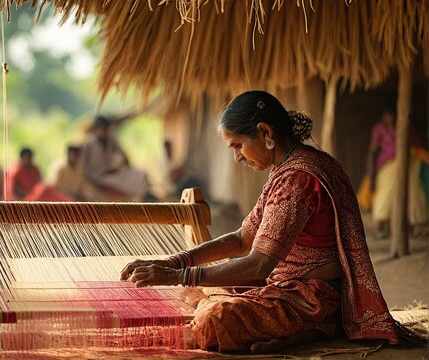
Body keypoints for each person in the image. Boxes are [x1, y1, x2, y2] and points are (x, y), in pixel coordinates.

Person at [120, 91, 402, 353]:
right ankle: (300, 331)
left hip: (312, 299)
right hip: (287, 285)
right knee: (197, 291)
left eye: (238, 145)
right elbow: (242, 238)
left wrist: (176, 277)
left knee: (214, 321)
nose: (237, 157)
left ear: (265, 132)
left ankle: (319, 326)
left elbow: (258, 263)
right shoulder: (288, 168)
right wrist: (174, 263)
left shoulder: (297, 179)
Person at [359, 107, 429, 239]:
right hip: (387, 164)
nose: (390, 118)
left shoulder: (404, 125)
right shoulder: (379, 129)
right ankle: (381, 226)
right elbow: (372, 151)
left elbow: (415, 144)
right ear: (383, 116)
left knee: (411, 191)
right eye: (388, 115)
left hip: (408, 163)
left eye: (393, 115)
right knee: (385, 193)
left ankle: (411, 227)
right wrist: (371, 173)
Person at [82, 115, 148, 201]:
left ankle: (139, 200)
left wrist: (120, 167)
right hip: (97, 177)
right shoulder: (89, 144)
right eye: (102, 129)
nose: (104, 132)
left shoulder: (110, 141)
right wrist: (92, 177)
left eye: (106, 129)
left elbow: (124, 156)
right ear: (96, 130)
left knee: (139, 174)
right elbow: (83, 165)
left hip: (111, 173)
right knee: (109, 181)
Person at [6, 147, 73, 202]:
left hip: (36, 195)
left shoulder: (34, 168)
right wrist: (32, 194)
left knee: (49, 188)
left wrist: (37, 192)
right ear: (21, 158)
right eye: (27, 158)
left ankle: (68, 202)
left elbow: (39, 183)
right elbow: (14, 191)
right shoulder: (14, 170)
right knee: (46, 189)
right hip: (25, 199)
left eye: (30, 158)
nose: (29, 160)